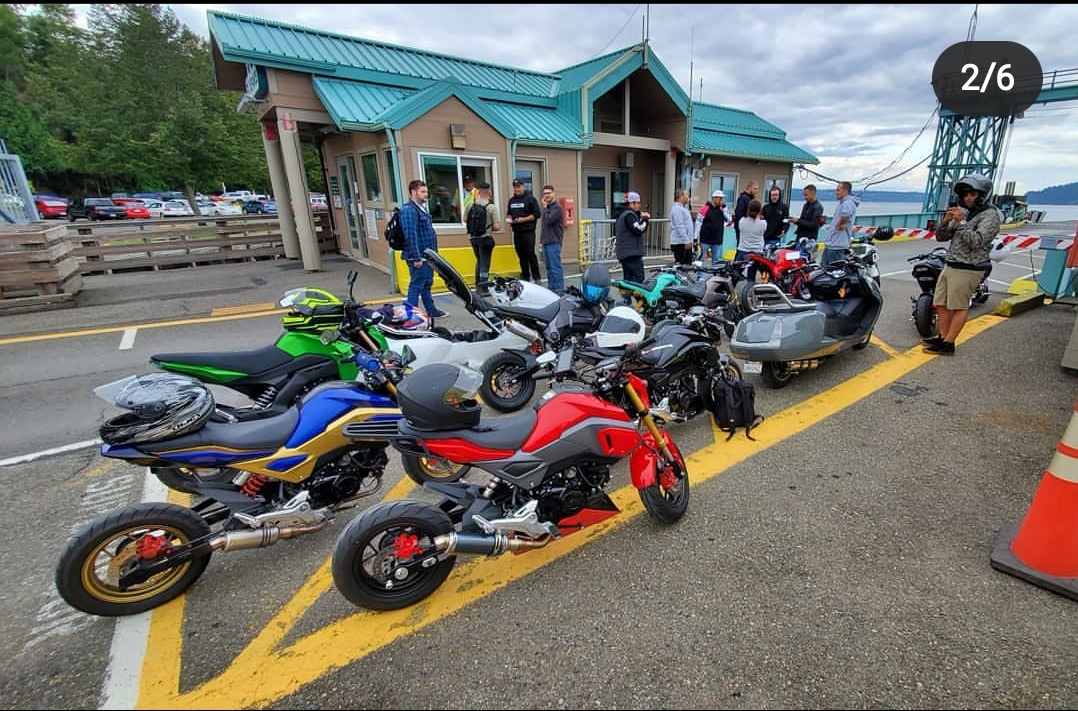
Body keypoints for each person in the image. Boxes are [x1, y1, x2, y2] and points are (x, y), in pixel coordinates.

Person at [923, 173, 1001, 356]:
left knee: (959, 306)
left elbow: (977, 241)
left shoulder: (990, 215)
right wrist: (945, 222)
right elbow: (941, 237)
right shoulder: (965, 212)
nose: (968, 198)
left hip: (969, 267)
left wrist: (962, 223)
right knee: (940, 303)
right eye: (965, 195)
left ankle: (949, 343)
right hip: (951, 263)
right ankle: (943, 337)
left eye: (972, 194)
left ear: (983, 195)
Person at [400, 179, 447, 318]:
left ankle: (431, 310)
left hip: (427, 255)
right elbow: (410, 235)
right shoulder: (409, 210)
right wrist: (416, 257)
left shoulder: (420, 208)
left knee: (426, 283)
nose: (426, 194)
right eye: (423, 191)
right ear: (413, 192)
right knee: (416, 284)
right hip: (418, 256)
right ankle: (410, 315)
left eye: (426, 191)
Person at [505, 178, 542, 282]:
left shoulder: (530, 199)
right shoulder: (512, 200)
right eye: (515, 187)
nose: (516, 189)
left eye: (518, 187)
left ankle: (536, 277)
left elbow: (537, 214)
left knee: (530, 253)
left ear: (523, 186)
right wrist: (509, 219)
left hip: (528, 231)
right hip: (517, 232)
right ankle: (525, 276)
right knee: (520, 254)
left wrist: (523, 219)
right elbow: (509, 213)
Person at [470, 181, 501, 295]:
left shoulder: (471, 205)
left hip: (473, 238)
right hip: (485, 238)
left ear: (478, 191)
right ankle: (483, 287)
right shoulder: (491, 207)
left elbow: (464, 219)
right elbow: (497, 226)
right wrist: (489, 226)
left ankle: (477, 285)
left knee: (479, 261)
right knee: (485, 264)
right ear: (489, 191)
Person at [615, 190, 650, 284]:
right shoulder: (629, 215)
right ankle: (633, 294)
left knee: (628, 280)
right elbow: (639, 229)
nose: (639, 205)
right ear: (631, 203)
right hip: (631, 253)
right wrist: (645, 219)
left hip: (625, 252)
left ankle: (626, 294)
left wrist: (641, 218)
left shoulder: (623, 214)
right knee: (638, 278)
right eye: (638, 203)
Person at [820, 180, 858, 267]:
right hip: (832, 244)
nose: (836, 192)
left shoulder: (848, 203)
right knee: (824, 269)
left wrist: (839, 224)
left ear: (845, 191)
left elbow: (846, 214)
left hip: (837, 246)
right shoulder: (843, 203)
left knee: (834, 269)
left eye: (838, 190)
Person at [539, 184, 566, 292]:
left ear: (553, 194)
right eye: (545, 193)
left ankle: (559, 290)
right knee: (549, 268)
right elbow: (544, 226)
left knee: (555, 268)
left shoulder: (557, 208)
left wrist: (544, 207)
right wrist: (541, 241)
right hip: (546, 242)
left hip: (554, 242)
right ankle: (551, 289)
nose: (546, 195)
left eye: (549, 193)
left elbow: (549, 220)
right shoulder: (547, 208)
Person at [788, 184, 824, 261]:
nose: (804, 197)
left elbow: (813, 225)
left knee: (804, 260)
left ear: (813, 193)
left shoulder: (818, 207)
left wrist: (798, 221)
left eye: (806, 195)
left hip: (809, 239)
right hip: (800, 237)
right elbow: (802, 220)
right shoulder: (806, 205)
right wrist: (795, 221)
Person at [736, 199, 767, 281]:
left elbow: (740, 230)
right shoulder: (763, 223)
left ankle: (731, 286)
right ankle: (750, 287)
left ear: (748, 209)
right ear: (759, 211)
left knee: (736, 273)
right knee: (752, 275)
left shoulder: (742, 221)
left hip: (743, 250)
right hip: (757, 251)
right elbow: (763, 232)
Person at [696, 190, 728, 267]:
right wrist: (695, 238)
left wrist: (724, 209)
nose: (722, 200)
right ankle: (699, 274)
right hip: (705, 240)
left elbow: (729, 220)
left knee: (715, 261)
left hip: (717, 240)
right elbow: (698, 223)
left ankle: (714, 273)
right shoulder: (705, 208)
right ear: (714, 198)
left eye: (722, 198)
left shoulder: (722, 209)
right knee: (701, 260)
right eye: (720, 198)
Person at [668, 188, 694, 265]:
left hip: (685, 242)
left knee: (687, 265)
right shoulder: (677, 209)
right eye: (686, 195)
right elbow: (679, 226)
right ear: (681, 196)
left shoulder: (683, 208)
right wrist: (686, 240)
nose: (688, 197)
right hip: (680, 242)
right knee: (681, 266)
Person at [761, 186, 790, 252]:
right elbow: (761, 221)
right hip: (764, 238)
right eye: (772, 195)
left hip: (775, 238)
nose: (774, 197)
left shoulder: (784, 207)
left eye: (776, 195)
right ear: (770, 196)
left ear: (779, 195)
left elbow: (786, 221)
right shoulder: (765, 207)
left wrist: (784, 230)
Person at [732, 180, 759, 245]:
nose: (756, 191)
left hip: (747, 230)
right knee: (742, 247)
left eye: (757, 189)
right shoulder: (743, 198)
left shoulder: (750, 199)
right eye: (755, 188)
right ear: (749, 188)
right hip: (742, 230)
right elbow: (739, 214)